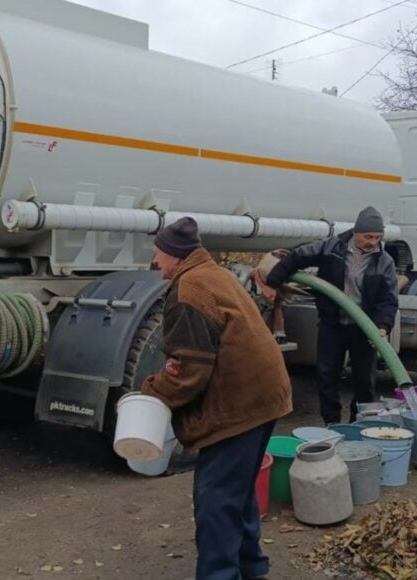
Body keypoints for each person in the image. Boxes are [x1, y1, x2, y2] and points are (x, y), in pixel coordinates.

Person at [141, 217, 292, 580]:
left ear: (175, 255)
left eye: (158, 255)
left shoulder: (189, 290)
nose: (155, 263)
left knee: (216, 501)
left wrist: (151, 393)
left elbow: (189, 370)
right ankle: (251, 568)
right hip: (265, 395)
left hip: (240, 405)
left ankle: (220, 575)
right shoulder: (214, 272)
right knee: (237, 493)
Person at [261, 206, 398, 425]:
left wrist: (383, 326)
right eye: (368, 236)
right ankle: (332, 424)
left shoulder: (384, 262)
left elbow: (388, 300)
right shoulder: (331, 247)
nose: (373, 242)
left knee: (365, 382)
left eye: (378, 237)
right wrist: (272, 282)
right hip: (332, 324)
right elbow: (297, 257)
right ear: (355, 232)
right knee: (327, 377)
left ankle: (359, 424)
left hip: (365, 329)